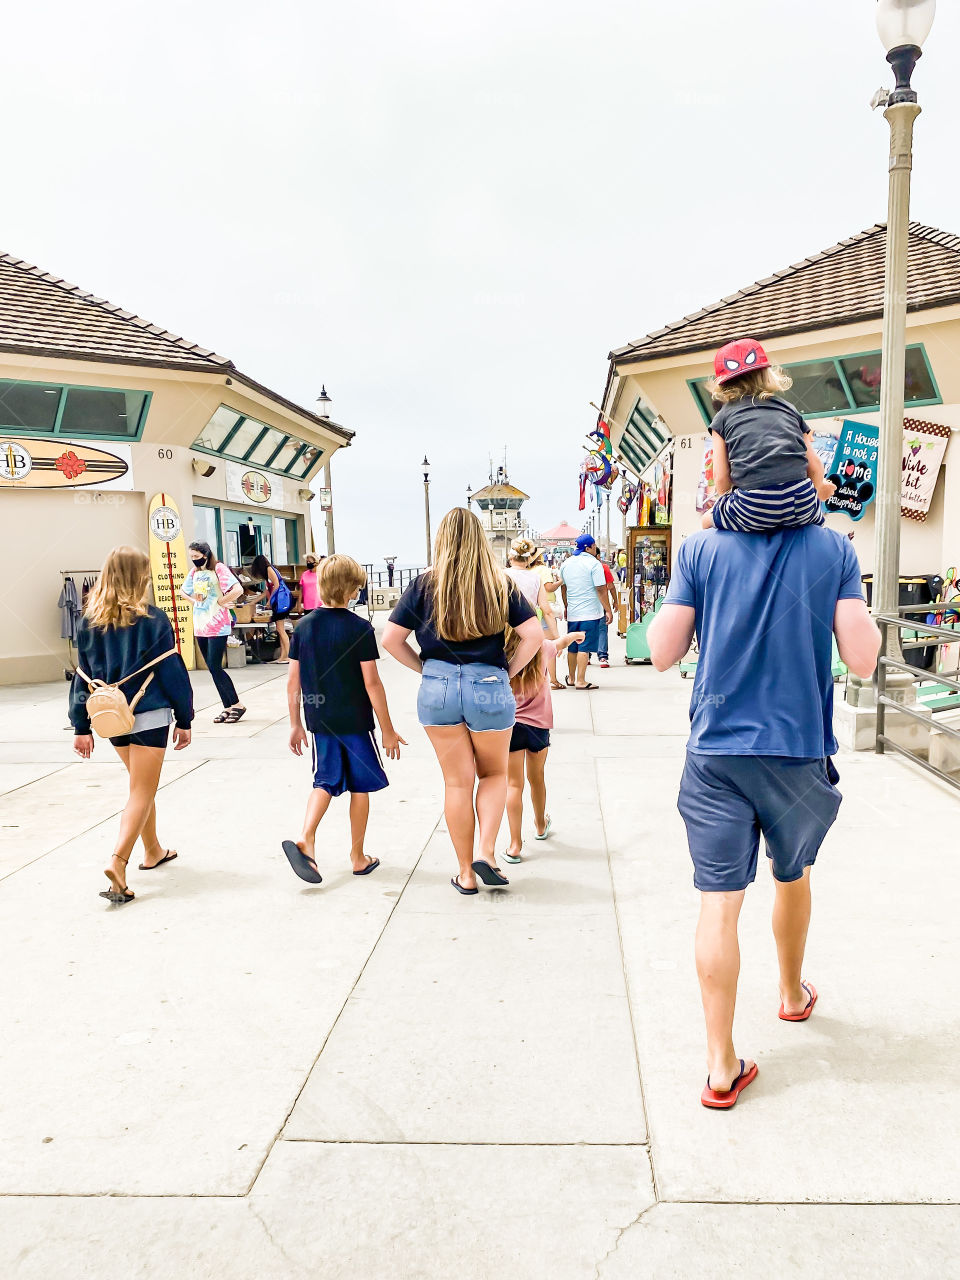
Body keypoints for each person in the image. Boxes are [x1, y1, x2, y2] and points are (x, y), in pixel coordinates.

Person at [647, 523, 880, 1109]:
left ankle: (720, 1065)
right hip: (796, 754)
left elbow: (661, 652)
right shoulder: (833, 549)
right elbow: (863, 660)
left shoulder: (700, 549)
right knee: (792, 875)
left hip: (715, 755)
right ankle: (792, 995)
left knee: (718, 903)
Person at [382, 507, 542, 895]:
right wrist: (508, 670)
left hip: (438, 687)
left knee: (457, 783)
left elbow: (390, 640)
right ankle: (487, 853)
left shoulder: (423, 585)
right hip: (488, 684)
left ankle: (465, 874)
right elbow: (534, 636)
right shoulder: (499, 584)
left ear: (441, 540)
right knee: (494, 774)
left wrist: (426, 670)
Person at [69, 546, 194, 904]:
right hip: (149, 713)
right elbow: (171, 671)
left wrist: (81, 726)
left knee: (140, 786)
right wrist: (184, 717)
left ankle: (152, 850)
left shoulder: (89, 621)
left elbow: (81, 677)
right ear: (140, 577)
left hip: (110, 716)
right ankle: (118, 862)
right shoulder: (154, 620)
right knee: (141, 790)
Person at [283, 555, 405, 883]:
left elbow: (293, 682)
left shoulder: (303, 627)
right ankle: (358, 856)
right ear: (352, 591)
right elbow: (372, 683)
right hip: (355, 721)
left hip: (320, 721)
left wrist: (295, 723)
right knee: (359, 787)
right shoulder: (359, 628)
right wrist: (388, 729)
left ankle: (306, 837)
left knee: (324, 781)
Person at [701, 338, 837, 533]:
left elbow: (721, 478)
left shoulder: (722, 418)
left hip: (753, 508)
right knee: (815, 524)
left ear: (722, 385)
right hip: (801, 504)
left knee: (706, 520)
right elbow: (814, 467)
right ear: (767, 374)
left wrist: (726, 503)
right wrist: (818, 490)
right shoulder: (788, 409)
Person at [502, 629, 584, 863]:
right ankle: (540, 824)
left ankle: (515, 845)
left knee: (513, 785)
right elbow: (562, 642)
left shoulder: (502, 653)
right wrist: (576, 636)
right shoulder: (542, 648)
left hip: (511, 726)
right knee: (537, 778)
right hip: (538, 726)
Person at [180, 541, 246, 724]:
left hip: (217, 623)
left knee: (215, 666)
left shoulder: (218, 568)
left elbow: (238, 589)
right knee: (211, 668)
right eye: (191, 557)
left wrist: (222, 601)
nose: (194, 559)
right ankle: (227, 706)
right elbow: (183, 591)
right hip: (200, 624)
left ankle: (237, 704)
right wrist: (194, 601)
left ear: (206, 554)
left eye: (196, 556)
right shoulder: (195, 572)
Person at [559, 534, 612, 689]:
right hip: (590, 612)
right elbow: (601, 589)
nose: (595, 548)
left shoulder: (566, 563)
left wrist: (567, 606)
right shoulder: (594, 564)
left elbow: (563, 588)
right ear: (588, 548)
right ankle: (581, 681)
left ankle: (571, 678)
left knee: (573, 646)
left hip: (573, 613)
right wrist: (608, 610)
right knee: (584, 646)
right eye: (594, 546)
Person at [249, 554, 292, 663]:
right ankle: (283, 656)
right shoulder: (269, 572)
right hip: (280, 602)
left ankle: (287, 656)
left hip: (281, 602)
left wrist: (269, 601)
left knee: (281, 630)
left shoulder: (269, 569)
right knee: (280, 630)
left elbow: (277, 585)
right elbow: (266, 592)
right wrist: (253, 602)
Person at [590, 548, 619, 669]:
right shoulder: (603, 567)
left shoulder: (582, 568)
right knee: (602, 629)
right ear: (598, 556)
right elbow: (610, 586)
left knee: (587, 628)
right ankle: (602, 657)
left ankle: (586, 655)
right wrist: (615, 601)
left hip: (586, 604)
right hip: (602, 603)